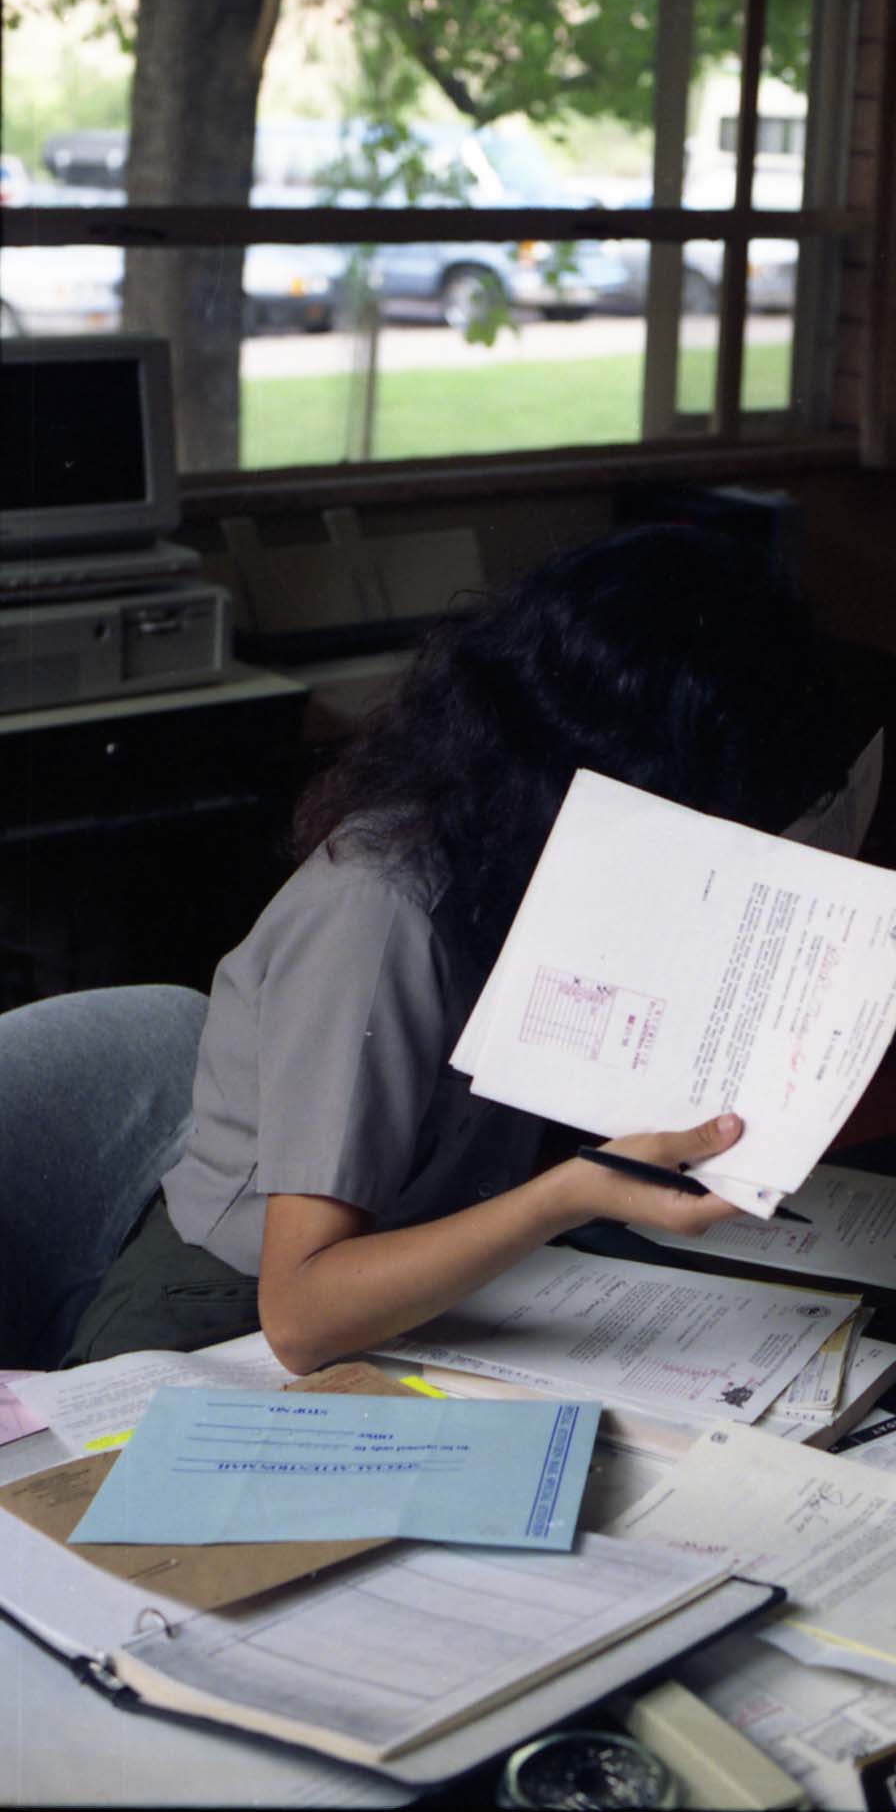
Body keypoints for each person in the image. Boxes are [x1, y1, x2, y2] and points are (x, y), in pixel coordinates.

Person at [64, 523, 852, 1371]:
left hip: (435, 1287)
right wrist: (576, 1190)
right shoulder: (377, 910)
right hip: (222, 1323)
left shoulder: (544, 852)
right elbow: (300, 1311)